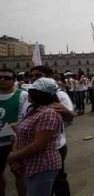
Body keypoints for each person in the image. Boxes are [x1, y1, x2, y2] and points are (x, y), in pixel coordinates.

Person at [7, 78, 62, 196]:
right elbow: (20, 132)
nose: (28, 93)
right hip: (30, 162)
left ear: (40, 94)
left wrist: (12, 156)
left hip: (43, 164)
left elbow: (39, 144)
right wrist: (17, 159)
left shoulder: (48, 113)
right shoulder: (34, 110)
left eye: (31, 90)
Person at [27, 65, 75, 196]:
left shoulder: (60, 96)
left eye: (38, 75)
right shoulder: (28, 95)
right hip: (30, 147)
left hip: (54, 146)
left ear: (49, 77)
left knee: (57, 182)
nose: (33, 78)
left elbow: (68, 119)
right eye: (31, 76)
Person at [0, 68, 28, 196]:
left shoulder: (23, 95)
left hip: (16, 142)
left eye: (7, 78)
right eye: (0, 77)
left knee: (19, 173)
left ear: (14, 80)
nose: (2, 80)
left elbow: (29, 117)